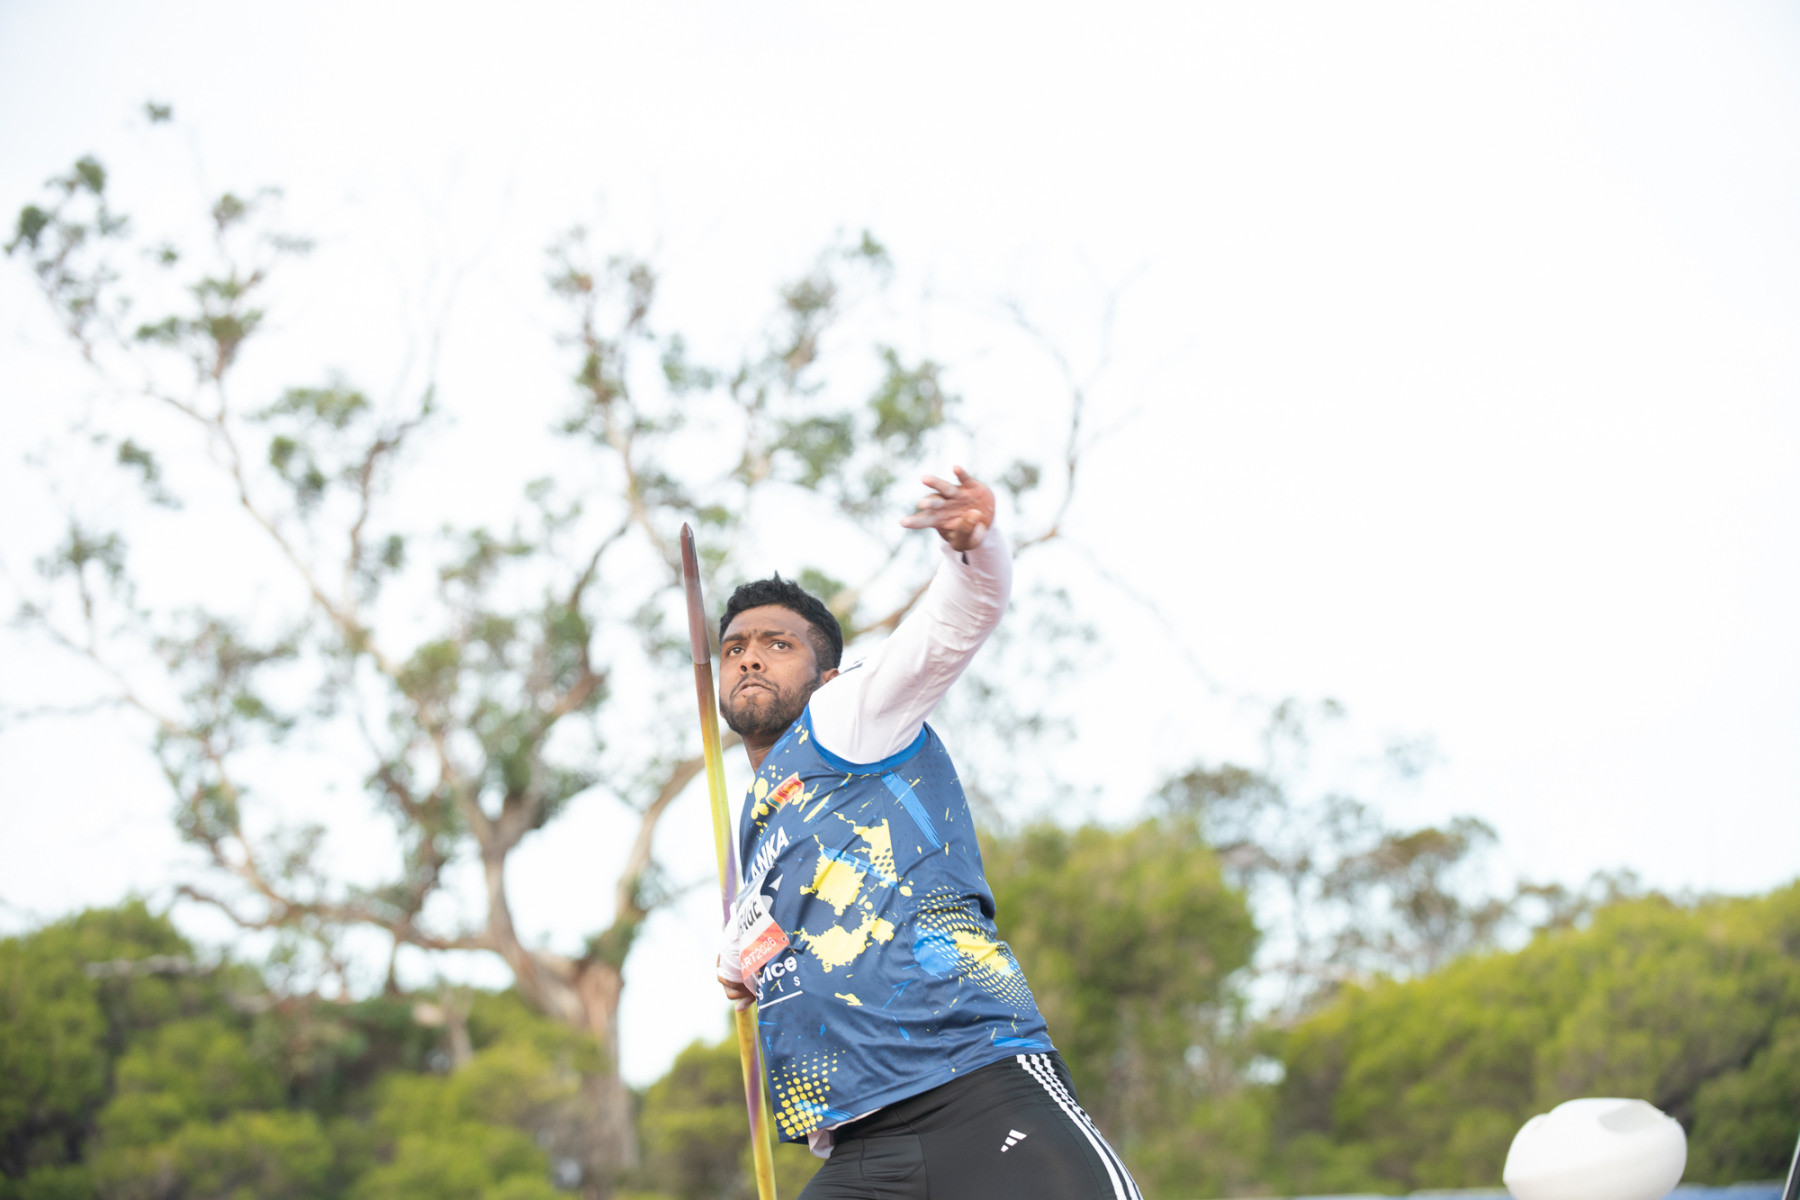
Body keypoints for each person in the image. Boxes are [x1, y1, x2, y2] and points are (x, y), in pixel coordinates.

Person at [714, 467, 1141, 1200]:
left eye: (776, 644)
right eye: (733, 648)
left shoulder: (846, 717)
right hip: (860, 1150)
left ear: (829, 675)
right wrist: (737, 956)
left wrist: (973, 548)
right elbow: (778, 928)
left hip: (978, 1096)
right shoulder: (765, 818)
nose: (748, 656)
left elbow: (956, 620)